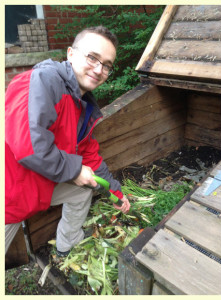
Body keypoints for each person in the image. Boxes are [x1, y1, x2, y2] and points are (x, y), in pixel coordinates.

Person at [5, 26, 130, 257]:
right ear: (71, 54)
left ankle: (67, 245)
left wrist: (115, 191)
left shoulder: (82, 103)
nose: (99, 69)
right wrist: (74, 171)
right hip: (9, 194)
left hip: (37, 185)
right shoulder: (43, 81)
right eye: (93, 58)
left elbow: (88, 153)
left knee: (83, 188)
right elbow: (29, 147)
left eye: (106, 65)